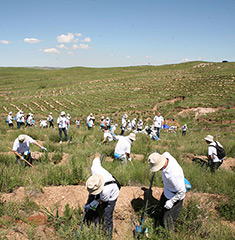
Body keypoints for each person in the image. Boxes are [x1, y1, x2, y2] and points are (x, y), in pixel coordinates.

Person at [147, 152, 186, 230]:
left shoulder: (173, 175)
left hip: (174, 196)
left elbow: (182, 191)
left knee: (168, 220)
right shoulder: (166, 156)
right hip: (166, 192)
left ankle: (167, 234)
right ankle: (158, 225)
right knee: (161, 210)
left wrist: (171, 201)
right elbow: (164, 153)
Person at [85, 155, 120, 238]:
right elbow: (97, 156)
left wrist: (92, 204)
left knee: (107, 215)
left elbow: (102, 200)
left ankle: (108, 236)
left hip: (112, 194)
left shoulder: (105, 191)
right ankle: (95, 226)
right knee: (94, 208)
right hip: (103, 187)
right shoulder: (95, 168)